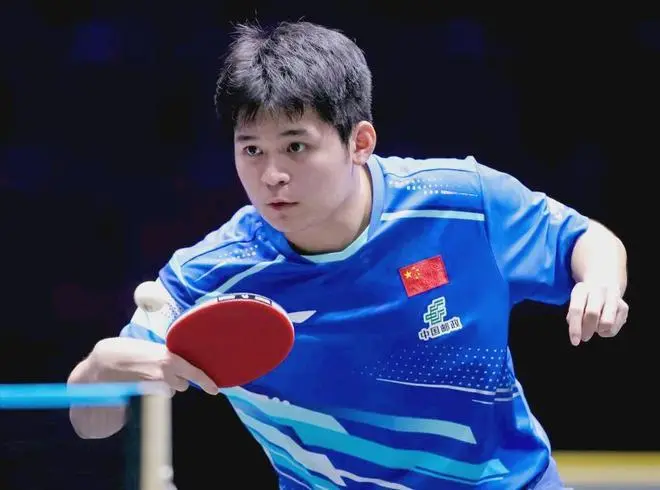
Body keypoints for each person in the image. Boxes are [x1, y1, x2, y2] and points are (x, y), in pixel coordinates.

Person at [67, 21, 629, 489]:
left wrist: (600, 280)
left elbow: (585, 239)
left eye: (295, 146)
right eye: (251, 150)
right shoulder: (211, 275)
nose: (272, 175)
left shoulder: (462, 204)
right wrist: (99, 369)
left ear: (359, 142)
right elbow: (92, 423)